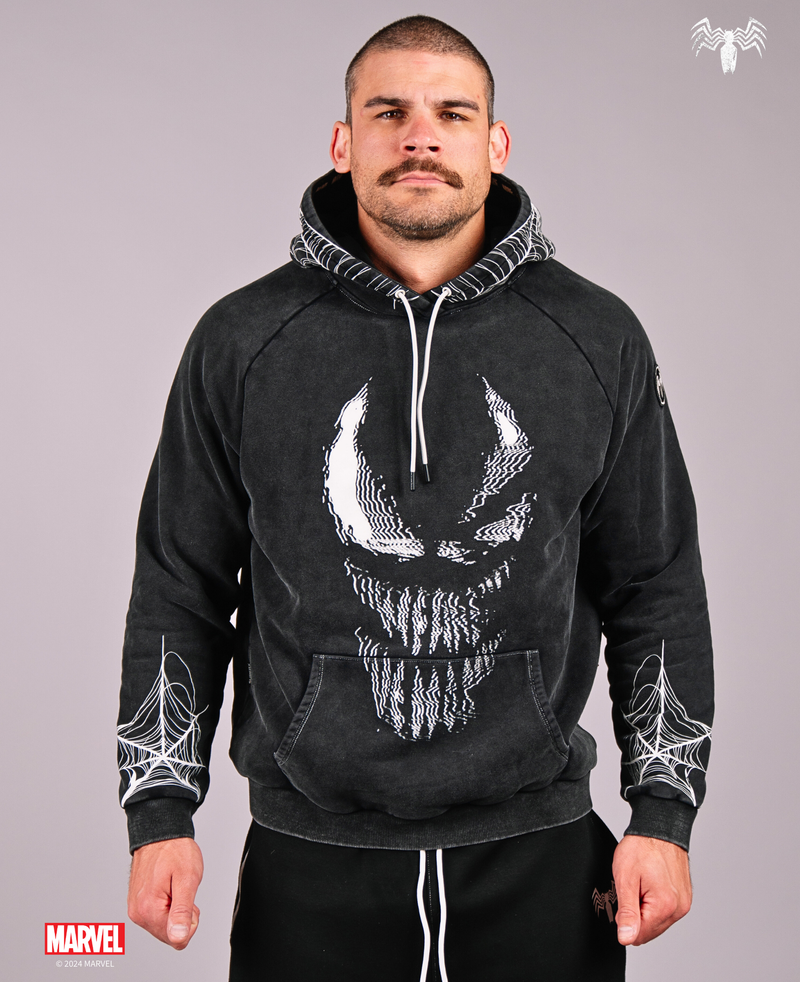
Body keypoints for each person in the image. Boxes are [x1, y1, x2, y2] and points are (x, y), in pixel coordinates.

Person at [118, 15, 713, 982]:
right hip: (309, 867)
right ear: (343, 142)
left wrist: (664, 814)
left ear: (496, 143)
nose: (421, 137)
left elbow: (657, 584)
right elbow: (179, 585)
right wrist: (159, 815)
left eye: (453, 114)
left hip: (543, 860)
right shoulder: (240, 342)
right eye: (389, 112)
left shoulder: (598, 338)